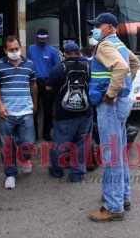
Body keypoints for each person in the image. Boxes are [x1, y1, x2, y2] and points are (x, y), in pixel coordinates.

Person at [86, 13, 140, 222]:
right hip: (122, 105)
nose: (95, 29)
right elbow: (135, 64)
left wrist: (111, 93)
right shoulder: (119, 45)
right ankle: (123, 197)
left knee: (110, 156)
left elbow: (122, 68)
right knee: (120, 153)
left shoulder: (104, 46)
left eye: (98, 25)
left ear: (108, 27)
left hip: (110, 106)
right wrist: (124, 87)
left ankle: (113, 206)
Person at [0, 35, 37, 189]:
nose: (15, 52)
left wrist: (35, 104)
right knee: (7, 145)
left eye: (17, 48)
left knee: (28, 143)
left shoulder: (29, 64)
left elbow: (33, 85)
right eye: (11, 50)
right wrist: (0, 106)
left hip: (26, 111)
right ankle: (10, 174)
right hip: (7, 113)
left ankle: (24, 159)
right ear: (5, 50)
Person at [46, 42, 93, 182]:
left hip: (64, 114)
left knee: (59, 145)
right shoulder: (89, 67)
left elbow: (48, 87)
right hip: (85, 113)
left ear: (65, 54)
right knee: (82, 144)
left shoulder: (58, 69)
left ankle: (56, 171)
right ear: (79, 53)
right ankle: (77, 174)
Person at [27, 28, 60, 141]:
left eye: (45, 39)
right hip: (34, 81)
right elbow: (28, 65)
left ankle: (46, 132)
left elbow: (57, 68)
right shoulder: (31, 49)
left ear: (47, 38)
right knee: (33, 108)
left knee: (48, 109)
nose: (42, 41)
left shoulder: (52, 51)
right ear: (36, 38)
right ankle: (34, 134)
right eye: (40, 39)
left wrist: (53, 83)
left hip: (47, 82)